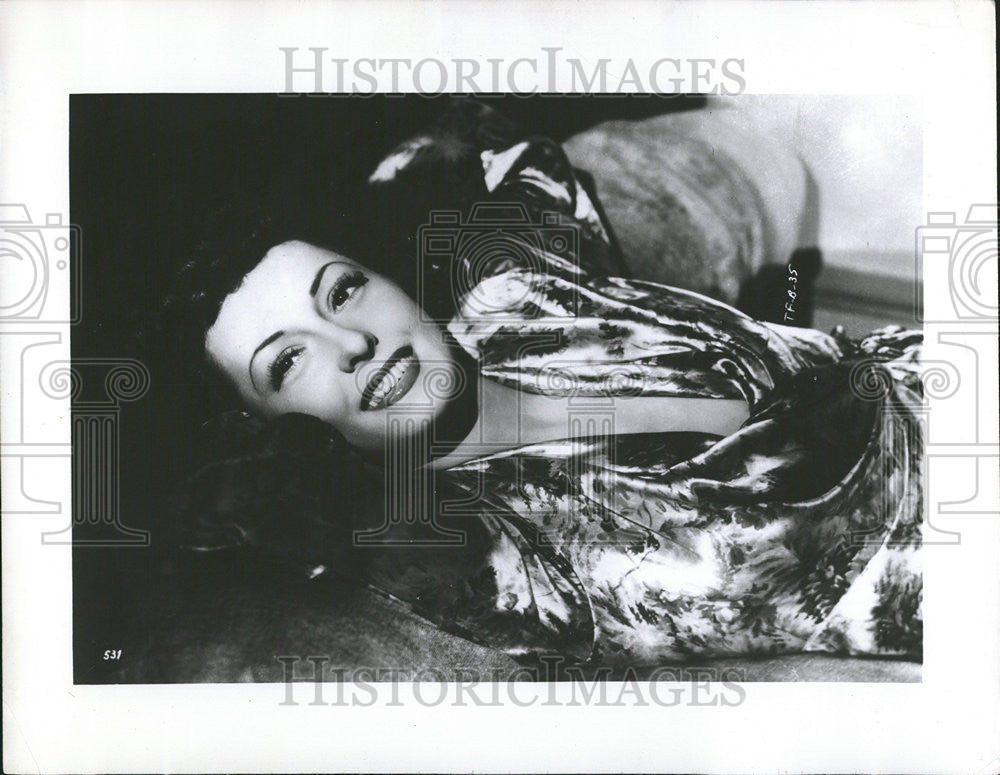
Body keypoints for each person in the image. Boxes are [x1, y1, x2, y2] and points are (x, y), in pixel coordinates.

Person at [159, 101, 923, 667]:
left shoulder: (512, 295)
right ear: (265, 432)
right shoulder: (467, 554)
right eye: (287, 361)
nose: (351, 342)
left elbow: (508, 161)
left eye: (341, 291)